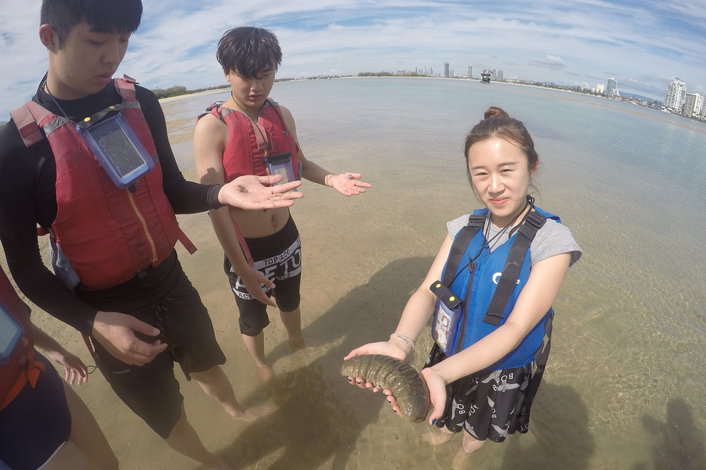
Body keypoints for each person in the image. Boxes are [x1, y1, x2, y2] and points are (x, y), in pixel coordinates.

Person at [0, 2, 302, 469]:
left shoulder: (139, 102)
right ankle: (211, 460)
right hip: (104, 304)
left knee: (207, 363)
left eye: (123, 40)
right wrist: (91, 321)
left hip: (170, 280)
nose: (113, 55)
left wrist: (220, 193)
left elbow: (173, 190)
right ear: (50, 38)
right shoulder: (17, 149)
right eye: (97, 41)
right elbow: (24, 267)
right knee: (162, 409)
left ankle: (235, 412)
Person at [345, 107, 581, 468]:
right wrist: (400, 342)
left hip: (501, 368)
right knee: (444, 413)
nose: (494, 186)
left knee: (478, 429)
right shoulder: (462, 229)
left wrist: (441, 373)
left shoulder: (552, 242)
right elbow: (427, 291)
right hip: (448, 354)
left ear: (532, 166)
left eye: (507, 170)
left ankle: (464, 454)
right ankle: (445, 433)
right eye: (480, 173)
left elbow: (516, 328)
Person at [194, 27, 372, 382]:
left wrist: (332, 179)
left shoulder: (282, 114)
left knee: (291, 300)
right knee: (252, 318)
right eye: (245, 76)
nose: (255, 86)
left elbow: (300, 163)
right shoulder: (212, 127)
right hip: (246, 248)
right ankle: (262, 364)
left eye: (265, 75)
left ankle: (296, 340)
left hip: (287, 237)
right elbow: (214, 206)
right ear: (227, 72)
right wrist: (242, 267)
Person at [0, 265, 118, 470]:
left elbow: (12, 317)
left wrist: (56, 350)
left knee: (108, 464)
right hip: (13, 426)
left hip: (40, 378)